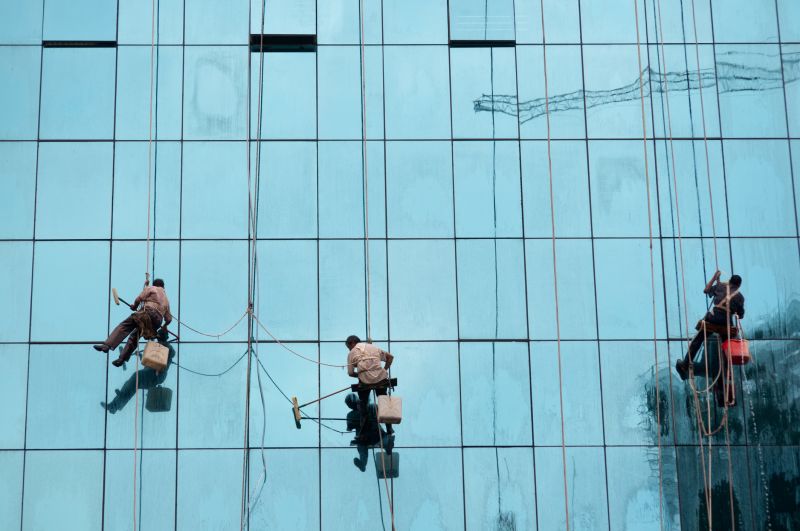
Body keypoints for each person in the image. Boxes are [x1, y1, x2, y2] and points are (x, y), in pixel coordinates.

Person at [675, 271, 744, 381]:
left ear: (729, 281)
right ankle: (726, 370)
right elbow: (740, 315)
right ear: (739, 285)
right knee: (726, 346)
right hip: (726, 323)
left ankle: (685, 364)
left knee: (698, 339)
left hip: (713, 319)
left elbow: (706, 290)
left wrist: (715, 277)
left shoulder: (721, 286)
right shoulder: (740, 297)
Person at [94, 279, 173, 368]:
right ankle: (121, 359)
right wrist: (164, 326)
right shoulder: (166, 300)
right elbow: (169, 319)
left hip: (148, 313)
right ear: (163, 287)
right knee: (135, 336)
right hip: (157, 322)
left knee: (125, 326)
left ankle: (107, 346)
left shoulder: (152, 288)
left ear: (155, 284)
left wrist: (134, 306)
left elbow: (139, 299)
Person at [346, 335, 394, 444]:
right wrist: (384, 370)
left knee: (363, 406)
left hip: (365, 381)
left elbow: (350, 373)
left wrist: (360, 374)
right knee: (384, 403)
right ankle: (389, 428)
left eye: (348, 347)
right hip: (380, 379)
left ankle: (362, 433)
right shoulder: (374, 348)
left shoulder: (352, 352)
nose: (349, 349)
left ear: (352, 343)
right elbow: (390, 358)